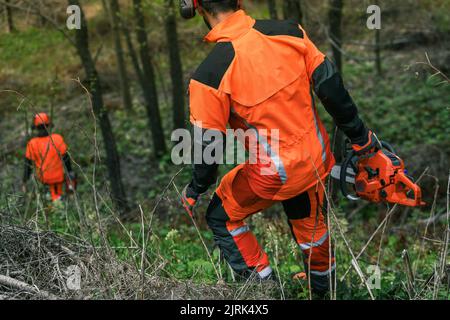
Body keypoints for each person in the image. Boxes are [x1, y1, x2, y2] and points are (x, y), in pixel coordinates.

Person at [180, 0, 380, 296]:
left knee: (221, 216)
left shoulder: (208, 76)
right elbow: (331, 88)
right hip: (315, 160)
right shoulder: (290, 32)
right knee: (312, 230)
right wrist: (361, 138)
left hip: (272, 176)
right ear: (239, 1)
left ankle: (264, 289)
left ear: (195, 7)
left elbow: (209, 146)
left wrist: (196, 189)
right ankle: (325, 291)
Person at [23, 113, 76, 202]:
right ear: (48, 125)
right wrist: (70, 172)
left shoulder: (32, 143)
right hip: (59, 179)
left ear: (35, 127)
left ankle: (55, 203)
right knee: (60, 201)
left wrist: (24, 180)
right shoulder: (57, 138)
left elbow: (27, 165)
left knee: (49, 203)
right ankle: (62, 201)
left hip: (44, 181)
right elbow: (66, 159)